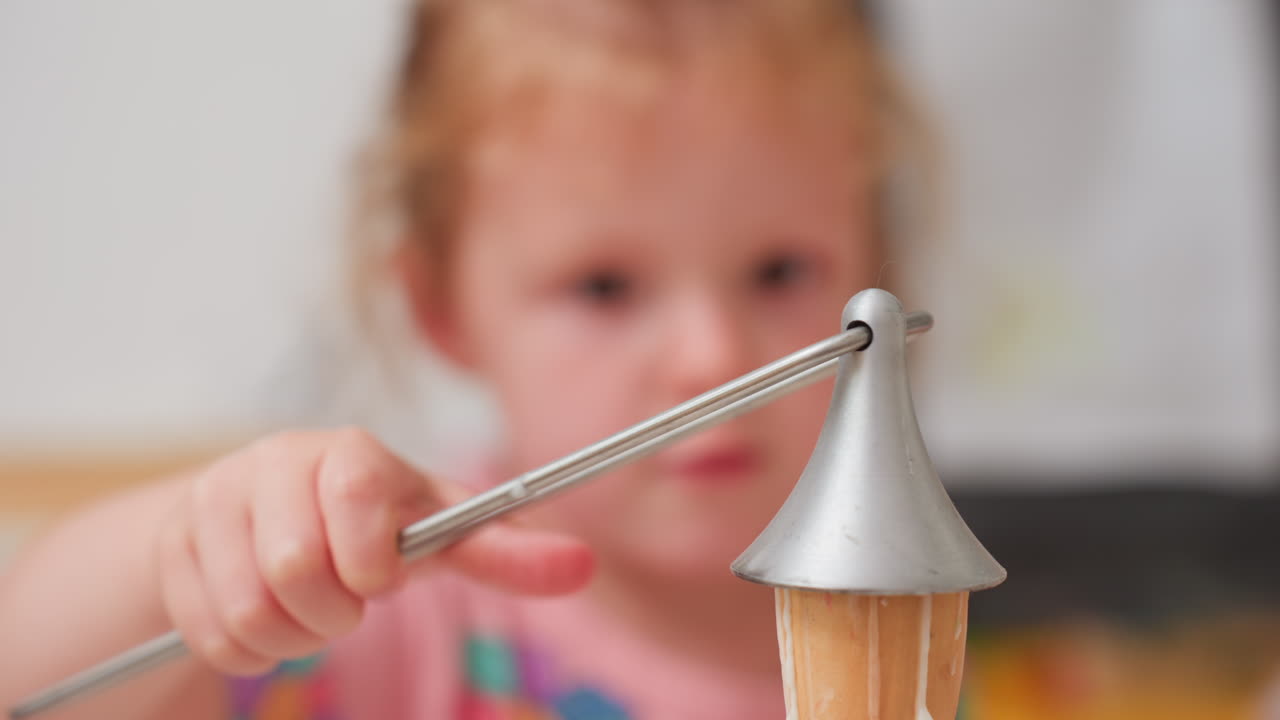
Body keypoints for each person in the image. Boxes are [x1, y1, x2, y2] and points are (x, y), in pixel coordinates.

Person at [0, 0, 911, 717]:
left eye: (781, 270)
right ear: (444, 311)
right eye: (603, 286)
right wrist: (191, 553)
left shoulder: (924, 619)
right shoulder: (390, 609)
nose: (712, 356)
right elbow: (27, 682)